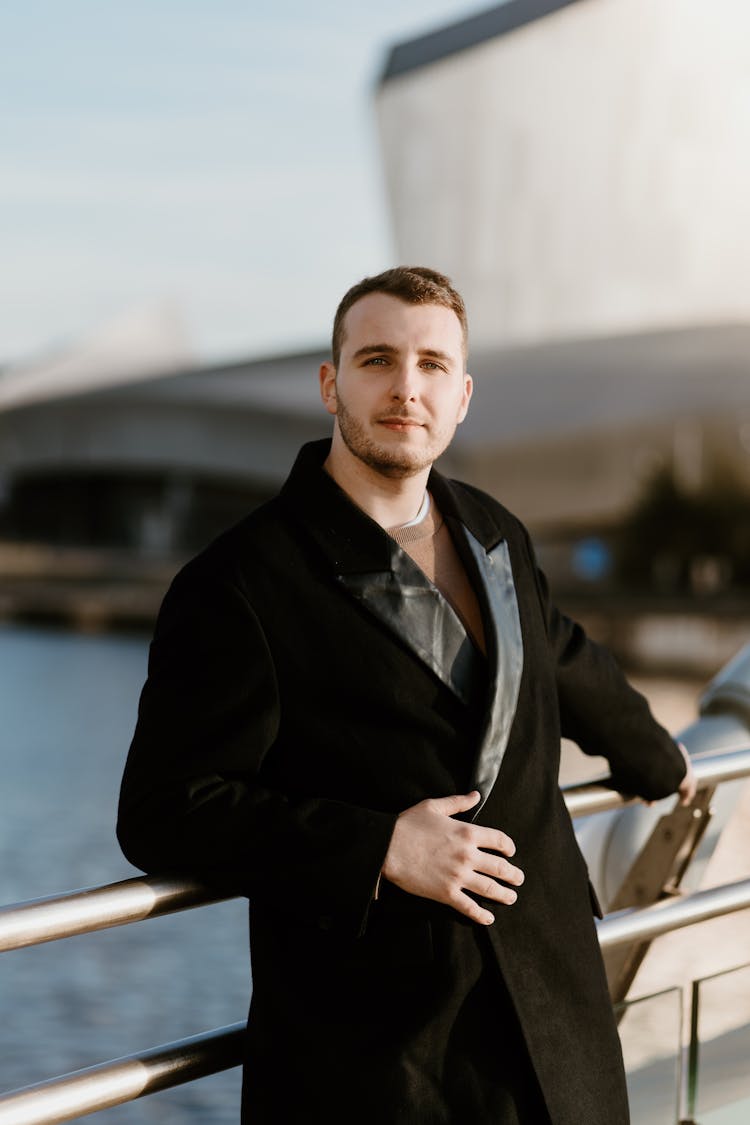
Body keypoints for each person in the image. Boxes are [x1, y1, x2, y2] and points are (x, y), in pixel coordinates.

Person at [117, 266, 695, 1124]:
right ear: (331, 383)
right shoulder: (240, 580)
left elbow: (561, 659)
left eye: (431, 365)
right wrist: (378, 845)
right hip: (382, 1061)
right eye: (378, 358)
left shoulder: (495, 528)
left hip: (556, 1028)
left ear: (462, 396)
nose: (405, 388)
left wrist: (664, 759)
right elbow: (164, 809)